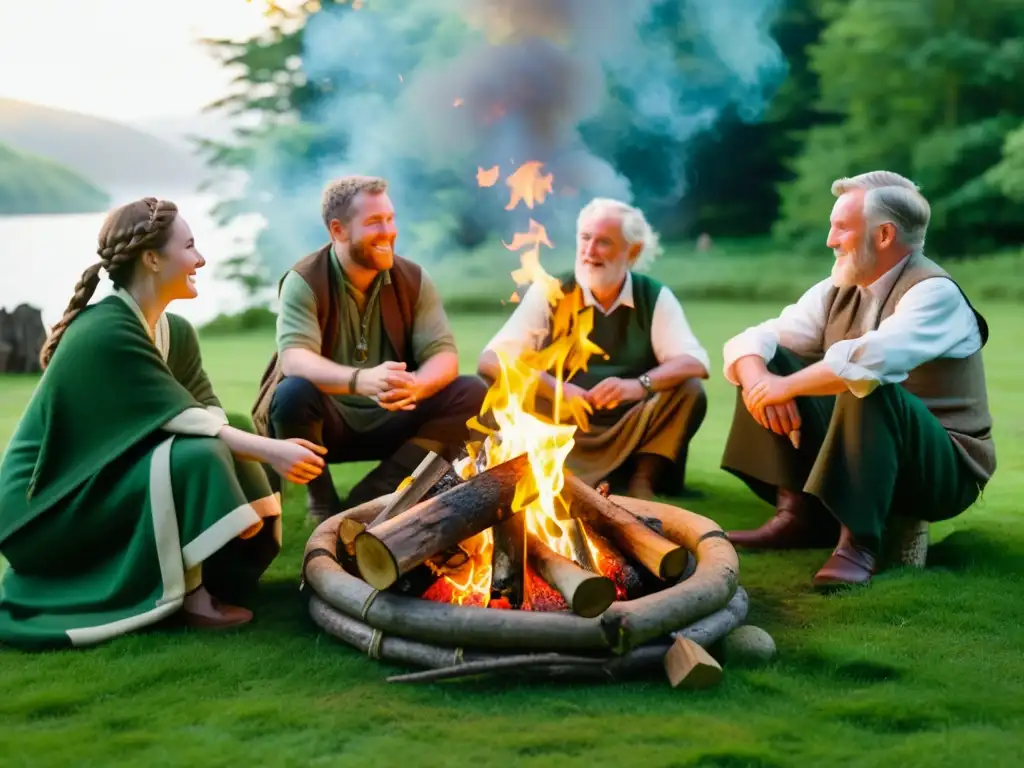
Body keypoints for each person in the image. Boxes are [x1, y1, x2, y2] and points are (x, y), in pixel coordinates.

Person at [0, 198, 327, 650]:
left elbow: (209, 411)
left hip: (100, 477)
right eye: (190, 246)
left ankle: (224, 571)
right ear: (152, 259)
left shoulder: (176, 333)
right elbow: (181, 418)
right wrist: (271, 450)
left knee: (231, 429)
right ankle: (189, 596)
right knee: (200, 452)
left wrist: (251, 475)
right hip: (45, 506)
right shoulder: (105, 330)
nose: (200, 259)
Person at [720, 171, 996, 588]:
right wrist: (763, 380)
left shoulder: (934, 293)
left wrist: (786, 387)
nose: (830, 240)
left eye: (841, 228)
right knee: (770, 360)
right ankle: (795, 515)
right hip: (868, 445)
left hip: (944, 466)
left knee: (865, 381)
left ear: (884, 235)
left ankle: (859, 544)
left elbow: (869, 361)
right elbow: (753, 339)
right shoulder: (836, 287)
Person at [251, 176, 487, 520]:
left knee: (471, 391)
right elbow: (294, 358)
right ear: (338, 230)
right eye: (375, 222)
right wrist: (361, 381)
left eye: (390, 219)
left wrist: (417, 386)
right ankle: (322, 502)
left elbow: (444, 356)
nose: (389, 231)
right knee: (291, 393)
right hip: (328, 421)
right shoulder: (304, 280)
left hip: (395, 414)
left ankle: (374, 494)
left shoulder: (413, 279)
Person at [478, 198, 710, 498]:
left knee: (688, 390)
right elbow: (490, 360)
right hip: (560, 422)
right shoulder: (550, 291)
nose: (589, 251)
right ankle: (551, 471)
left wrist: (638, 386)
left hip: (631, 425)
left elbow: (695, 361)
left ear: (633, 251)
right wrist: (555, 389)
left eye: (603, 242)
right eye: (585, 238)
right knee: (505, 385)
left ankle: (643, 483)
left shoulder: (653, 296)